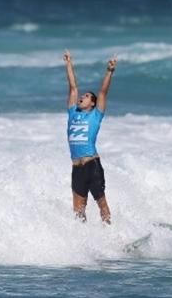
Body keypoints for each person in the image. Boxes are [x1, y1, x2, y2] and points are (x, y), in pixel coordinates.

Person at [63, 49, 117, 224]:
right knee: (78, 211)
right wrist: (69, 63)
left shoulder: (95, 115)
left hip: (91, 165)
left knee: (101, 203)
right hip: (76, 168)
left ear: (92, 103)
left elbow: (102, 93)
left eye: (86, 97)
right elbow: (73, 87)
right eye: (82, 96)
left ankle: (111, 234)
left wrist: (109, 71)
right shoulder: (72, 112)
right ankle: (85, 242)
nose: (82, 97)